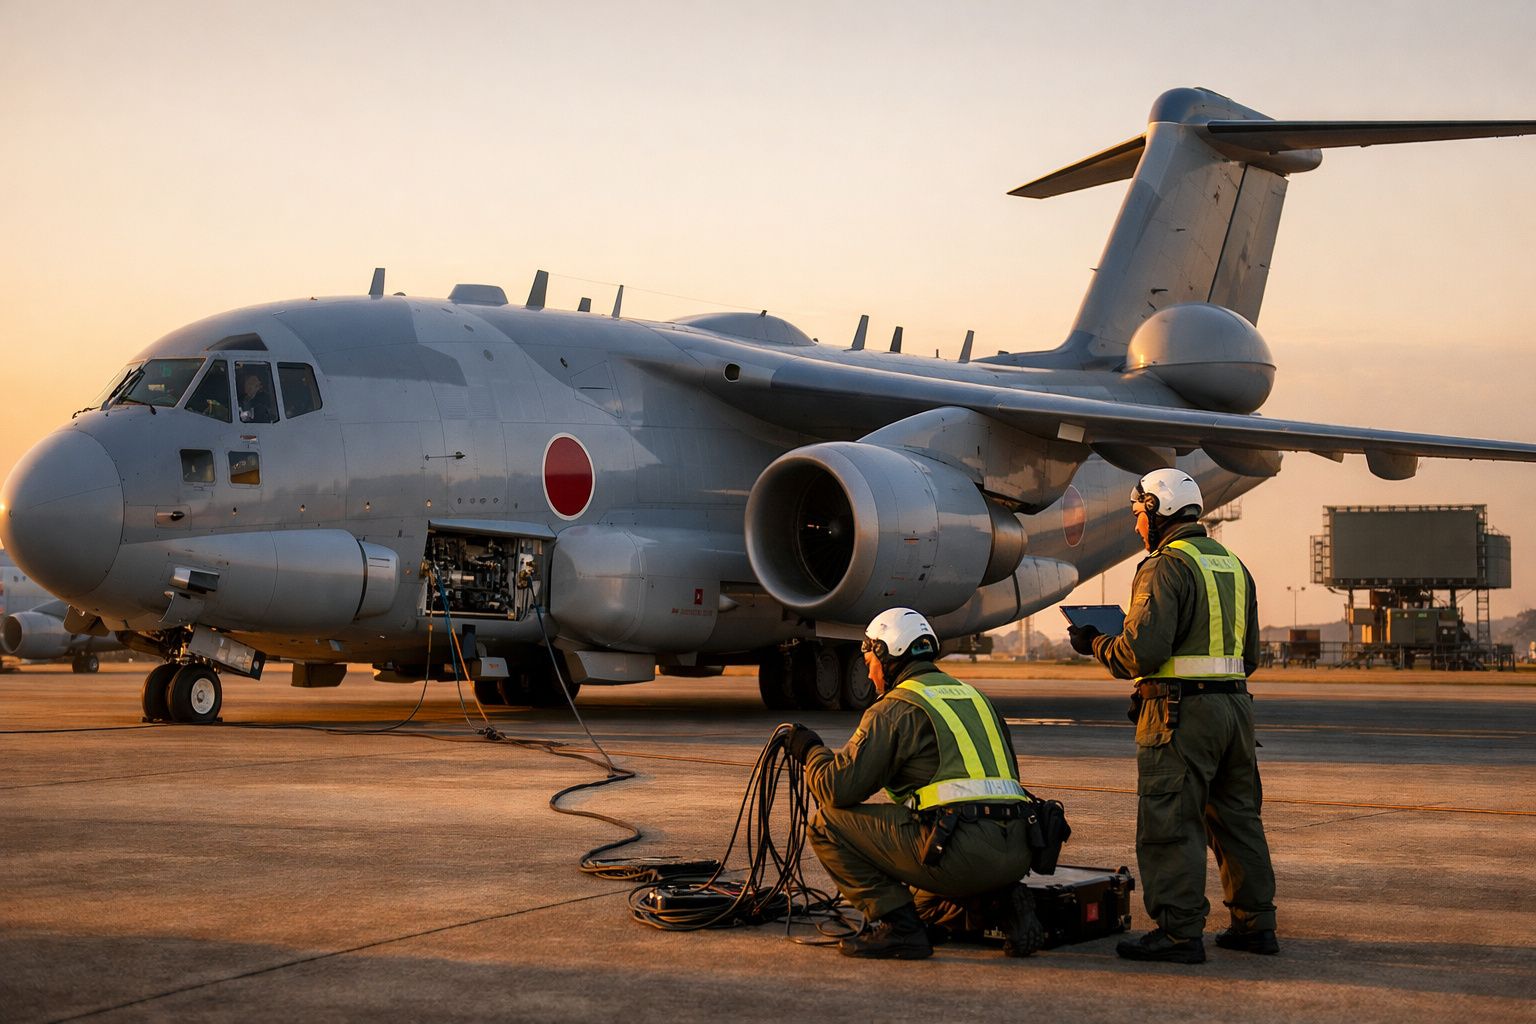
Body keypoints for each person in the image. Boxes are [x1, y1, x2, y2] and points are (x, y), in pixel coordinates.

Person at [1068, 468, 1278, 964]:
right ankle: (1255, 925)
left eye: (1139, 513)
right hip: (1236, 709)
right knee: (1238, 820)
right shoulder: (1232, 565)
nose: (1137, 525)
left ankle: (1180, 933)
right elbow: (1249, 657)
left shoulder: (1164, 566)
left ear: (1158, 512)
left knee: (1171, 823)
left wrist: (1094, 643)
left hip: (1182, 714)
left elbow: (1140, 653)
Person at [784, 607, 1043, 960]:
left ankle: (900, 931)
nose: (868, 671)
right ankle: (999, 903)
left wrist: (810, 750)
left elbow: (836, 789)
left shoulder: (897, 707)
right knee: (925, 909)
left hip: (961, 851)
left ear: (886, 655)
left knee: (826, 824)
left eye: (868, 659)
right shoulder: (976, 698)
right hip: (1017, 850)